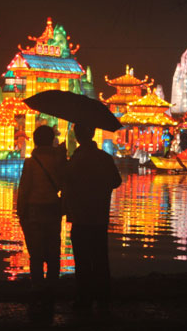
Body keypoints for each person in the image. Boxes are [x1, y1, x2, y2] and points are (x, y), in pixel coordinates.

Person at [64, 124, 121, 314]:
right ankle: (103, 297)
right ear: (93, 134)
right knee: (100, 258)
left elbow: (66, 182)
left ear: (77, 136)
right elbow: (116, 181)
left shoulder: (76, 159)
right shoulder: (104, 158)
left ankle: (84, 297)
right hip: (99, 215)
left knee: (81, 259)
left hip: (80, 216)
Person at [17, 125, 67, 324]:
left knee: (36, 252)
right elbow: (64, 184)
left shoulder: (31, 162)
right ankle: (52, 286)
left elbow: (24, 188)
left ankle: (37, 287)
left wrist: (21, 212)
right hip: (53, 209)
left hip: (34, 209)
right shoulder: (58, 160)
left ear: (36, 141)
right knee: (53, 249)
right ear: (51, 140)